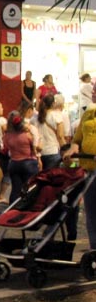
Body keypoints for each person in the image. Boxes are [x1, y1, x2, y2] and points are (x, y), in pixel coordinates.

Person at [63, 106, 96, 249]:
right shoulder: (88, 114)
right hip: (89, 170)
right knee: (92, 213)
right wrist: (73, 148)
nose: (94, 91)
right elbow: (77, 140)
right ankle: (94, 250)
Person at [3, 111, 40, 203]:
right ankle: (27, 209)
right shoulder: (27, 135)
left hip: (14, 163)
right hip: (29, 162)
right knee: (29, 188)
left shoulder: (7, 135)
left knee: (15, 189)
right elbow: (36, 148)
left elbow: (6, 148)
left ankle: (13, 210)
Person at [38, 95, 66, 171]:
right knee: (53, 179)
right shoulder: (57, 115)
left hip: (39, 153)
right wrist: (65, 150)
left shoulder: (35, 117)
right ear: (53, 104)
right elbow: (60, 136)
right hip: (52, 151)